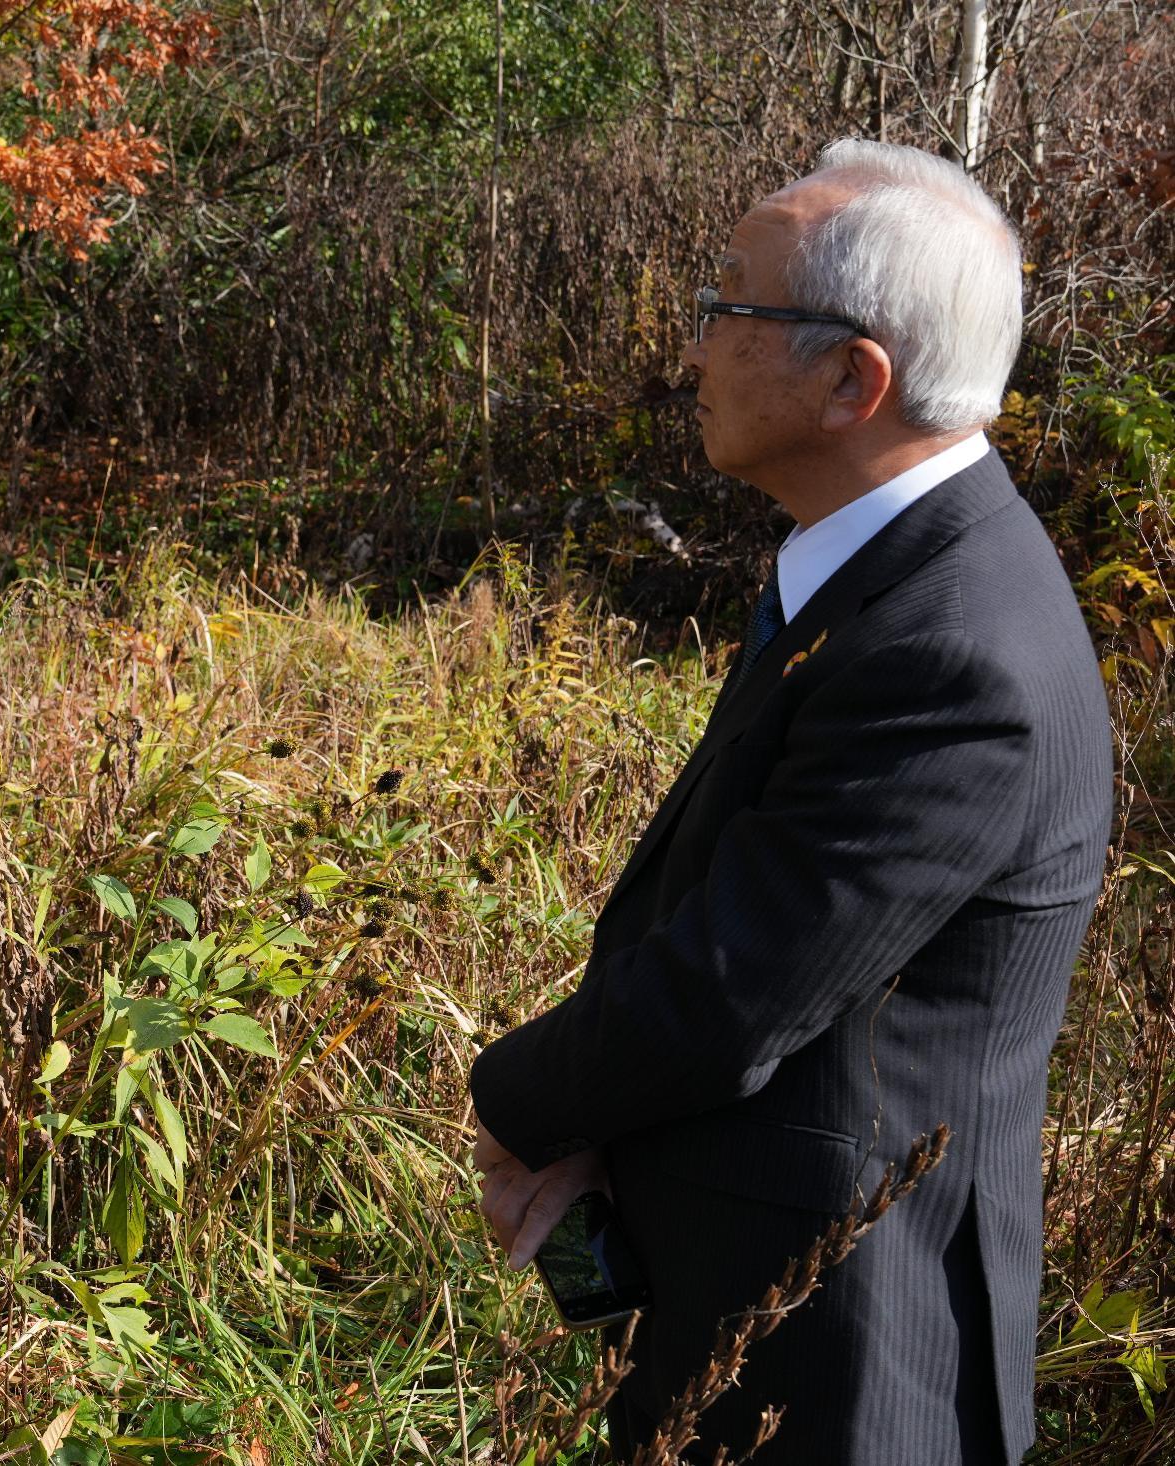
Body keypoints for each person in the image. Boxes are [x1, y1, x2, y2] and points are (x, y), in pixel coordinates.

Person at [468, 141, 1112, 1464]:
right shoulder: (886, 575)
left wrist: (511, 1096)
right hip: (760, 1305)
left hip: (847, 1361)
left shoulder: (956, 644)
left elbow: (730, 993)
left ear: (850, 377)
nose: (691, 350)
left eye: (724, 308)